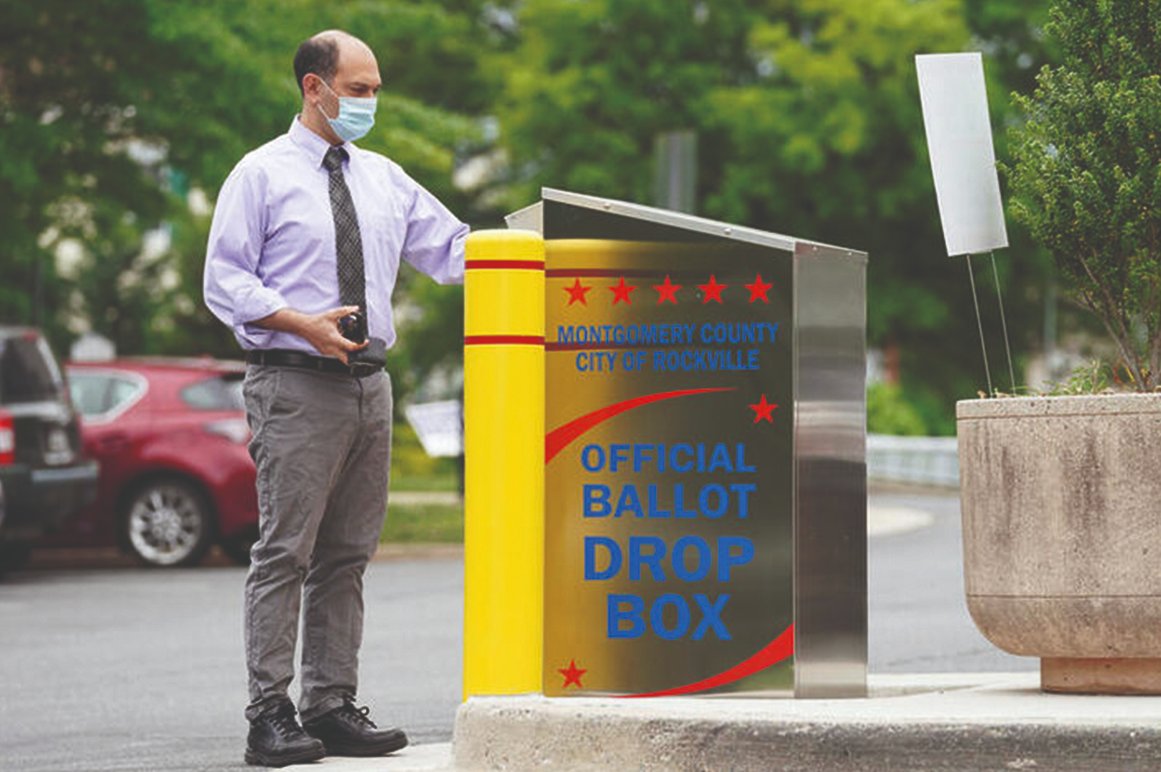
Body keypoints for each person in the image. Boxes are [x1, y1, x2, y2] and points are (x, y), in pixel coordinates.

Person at [203, 29, 467, 768]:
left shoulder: (383, 177)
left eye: (376, 90)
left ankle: (330, 703)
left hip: (368, 387)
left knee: (347, 555)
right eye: (358, 90)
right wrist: (298, 322)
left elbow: (451, 250)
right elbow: (225, 280)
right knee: (285, 551)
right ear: (314, 88)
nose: (370, 103)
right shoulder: (259, 174)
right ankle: (269, 714)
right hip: (292, 381)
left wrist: (539, 247)